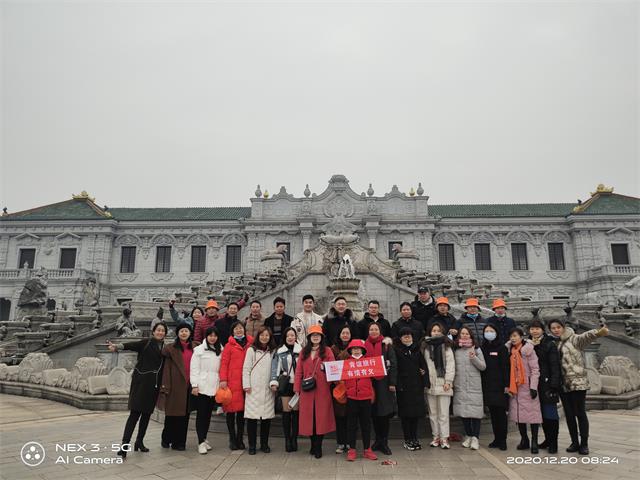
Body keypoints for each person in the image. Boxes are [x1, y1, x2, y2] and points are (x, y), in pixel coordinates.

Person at [549, 319, 609, 455]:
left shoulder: (574, 339)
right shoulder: (553, 343)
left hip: (578, 382)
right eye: (553, 328)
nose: (556, 330)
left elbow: (586, 336)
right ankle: (574, 442)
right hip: (563, 384)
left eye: (558, 327)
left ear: (563, 327)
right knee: (569, 415)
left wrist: (598, 332)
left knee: (580, 413)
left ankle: (584, 444)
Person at [109, 322, 167, 458]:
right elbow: (130, 345)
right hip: (140, 384)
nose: (160, 332)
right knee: (134, 415)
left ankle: (139, 442)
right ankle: (124, 445)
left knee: (146, 416)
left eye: (163, 331)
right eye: (158, 330)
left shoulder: (165, 348)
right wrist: (117, 347)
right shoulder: (146, 342)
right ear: (153, 332)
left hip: (154, 386)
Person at [294, 325, 336, 459]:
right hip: (307, 390)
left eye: (318, 335)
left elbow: (333, 369)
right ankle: (313, 444)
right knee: (309, 419)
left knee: (321, 419)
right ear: (309, 337)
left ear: (322, 337)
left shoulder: (327, 351)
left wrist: (325, 372)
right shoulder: (304, 352)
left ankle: (318, 446)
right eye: (313, 335)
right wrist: (297, 388)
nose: (316, 337)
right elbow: (299, 371)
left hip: (322, 389)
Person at [157, 322, 199, 451]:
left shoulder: (196, 347)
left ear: (190, 333)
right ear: (178, 333)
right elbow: (166, 369)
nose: (184, 333)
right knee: (171, 416)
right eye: (181, 331)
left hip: (189, 385)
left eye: (186, 331)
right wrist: (165, 387)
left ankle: (180, 442)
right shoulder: (171, 349)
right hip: (175, 385)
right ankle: (166, 438)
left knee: (184, 416)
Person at [506, 327, 542, 454]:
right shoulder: (509, 350)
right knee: (518, 415)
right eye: (511, 336)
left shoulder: (528, 350)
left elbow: (535, 370)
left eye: (515, 336)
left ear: (521, 337)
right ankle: (524, 439)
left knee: (533, 415)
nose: (513, 338)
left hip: (527, 386)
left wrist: (533, 386)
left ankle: (534, 441)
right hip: (515, 387)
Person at [528, 319, 562, 454]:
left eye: (537, 329)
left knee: (551, 414)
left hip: (547, 384)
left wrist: (554, 384)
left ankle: (553, 442)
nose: (534, 331)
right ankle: (547, 439)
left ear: (542, 330)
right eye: (532, 329)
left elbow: (555, 365)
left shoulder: (549, 343)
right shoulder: (528, 344)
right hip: (534, 384)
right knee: (540, 414)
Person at [219, 321, 254, 450]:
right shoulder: (229, 346)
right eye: (236, 329)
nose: (239, 330)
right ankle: (232, 438)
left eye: (241, 328)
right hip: (232, 383)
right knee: (230, 412)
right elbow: (224, 364)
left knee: (241, 413)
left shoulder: (251, 344)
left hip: (246, 383)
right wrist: (223, 379)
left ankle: (240, 439)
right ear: (232, 331)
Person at [243, 326, 277, 455]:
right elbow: (246, 369)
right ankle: (252, 445)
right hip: (253, 388)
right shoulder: (252, 350)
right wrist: (246, 385)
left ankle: (264, 444)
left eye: (267, 335)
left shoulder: (272, 351)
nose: (264, 337)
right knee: (252, 418)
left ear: (270, 337)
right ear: (258, 336)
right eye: (262, 335)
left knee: (266, 419)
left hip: (267, 389)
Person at [421, 321, 455, 449]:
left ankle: (444, 438)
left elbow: (451, 365)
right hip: (430, 384)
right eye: (433, 330)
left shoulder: (446, 346)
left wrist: (448, 382)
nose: (435, 333)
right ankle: (435, 436)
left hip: (443, 384)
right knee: (433, 413)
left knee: (444, 413)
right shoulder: (425, 346)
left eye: (438, 330)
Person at [394, 327, 429, 451]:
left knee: (415, 415)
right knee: (405, 415)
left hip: (416, 387)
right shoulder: (397, 350)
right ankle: (407, 439)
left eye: (409, 335)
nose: (407, 337)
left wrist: (425, 381)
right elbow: (395, 369)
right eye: (404, 336)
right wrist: (397, 384)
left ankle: (414, 437)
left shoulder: (416, 350)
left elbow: (423, 366)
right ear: (400, 338)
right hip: (403, 387)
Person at [365, 322, 397, 455]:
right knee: (374, 413)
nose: (373, 331)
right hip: (369, 384)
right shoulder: (364, 345)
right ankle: (377, 440)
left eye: (376, 329)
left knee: (383, 414)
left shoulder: (386, 345)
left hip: (384, 384)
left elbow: (393, 363)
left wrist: (392, 383)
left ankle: (384, 441)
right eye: (371, 329)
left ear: (380, 331)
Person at [190, 325, 223, 454]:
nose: (213, 338)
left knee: (208, 415)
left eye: (215, 335)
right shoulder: (198, 350)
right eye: (210, 335)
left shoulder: (221, 349)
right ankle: (200, 442)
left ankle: (204, 438)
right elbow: (194, 369)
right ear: (206, 336)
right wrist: (194, 385)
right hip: (202, 386)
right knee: (201, 415)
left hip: (214, 386)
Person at [344, 339, 378, 461]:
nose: (357, 351)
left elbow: (379, 376)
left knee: (366, 425)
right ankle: (352, 449)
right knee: (351, 425)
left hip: (366, 397)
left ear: (363, 350)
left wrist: (383, 365)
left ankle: (367, 449)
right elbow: (337, 378)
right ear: (350, 350)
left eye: (359, 348)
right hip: (351, 397)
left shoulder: (368, 362)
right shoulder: (346, 363)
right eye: (354, 349)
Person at [453, 326, 486, 451]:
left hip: (474, 385)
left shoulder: (476, 349)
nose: (465, 335)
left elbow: (483, 367)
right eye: (462, 334)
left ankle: (475, 437)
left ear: (471, 336)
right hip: (460, 385)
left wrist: (474, 358)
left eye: (467, 334)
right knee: (464, 412)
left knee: (475, 413)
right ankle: (468, 435)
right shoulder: (457, 350)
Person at [270, 327, 302, 452]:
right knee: (287, 412)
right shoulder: (280, 351)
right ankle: (287, 440)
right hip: (286, 384)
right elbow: (275, 368)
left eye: (292, 335)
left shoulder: (301, 351)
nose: (290, 337)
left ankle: (295, 438)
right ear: (285, 337)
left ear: (295, 337)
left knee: (296, 413)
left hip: (297, 384)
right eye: (288, 335)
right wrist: (274, 381)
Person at [480, 324, 510, 451]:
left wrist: (507, 385)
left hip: (500, 385)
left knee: (501, 414)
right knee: (493, 414)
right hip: (488, 385)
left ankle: (503, 440)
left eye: (491, 331)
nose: (489, 333)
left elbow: (506, 367)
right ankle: (496, 439)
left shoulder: (501, 348)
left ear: (496, 333)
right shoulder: (482, 348)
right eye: (487, 331)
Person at [330, 325, 353, 454]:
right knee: (340, 416)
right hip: (338, 386)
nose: (345, 335)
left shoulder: (356, 347)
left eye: (347, 333)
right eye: (343, 333)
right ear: (339, 334)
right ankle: (340, 442)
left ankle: (349, 442)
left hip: (351, 386)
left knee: (351, 416)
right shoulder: (333, 349)